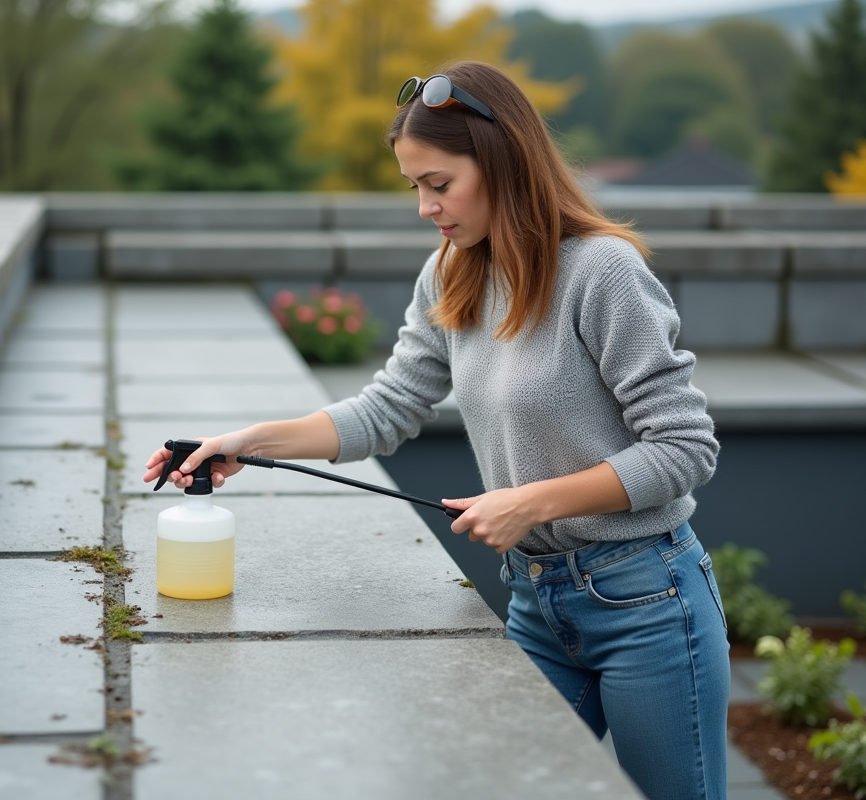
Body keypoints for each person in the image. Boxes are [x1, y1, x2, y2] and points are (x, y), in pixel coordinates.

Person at [144, 60, 728, 800]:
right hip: (536, 599)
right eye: (415, 186)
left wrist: (529, 502)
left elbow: (685, 449)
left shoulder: (602, 273)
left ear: (502, 163)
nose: (425, 207)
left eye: (438, 184)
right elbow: (387, 409)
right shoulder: (452, 272)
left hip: (646, 600)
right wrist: (246, 441)